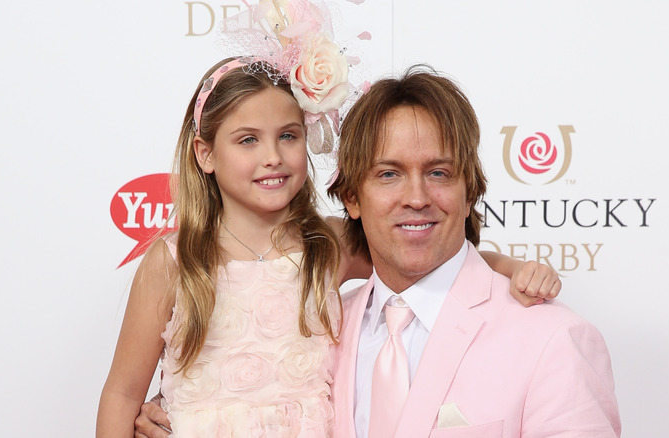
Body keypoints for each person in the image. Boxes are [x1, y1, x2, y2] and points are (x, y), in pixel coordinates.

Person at [97, 54, 560, 437]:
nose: (272, 156)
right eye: (248, 141)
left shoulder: (327, 243)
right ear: (205, 154)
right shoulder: (175, 262)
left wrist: (509, 266)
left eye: (288, 136)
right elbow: (121, 392)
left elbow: (442, 262)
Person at [326, 66, 621, 437]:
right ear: (352, 197)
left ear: (470, 193)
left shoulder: (553, 339)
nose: (417, 198)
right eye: (389, 174)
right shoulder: (320, 333)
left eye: (438, 173)